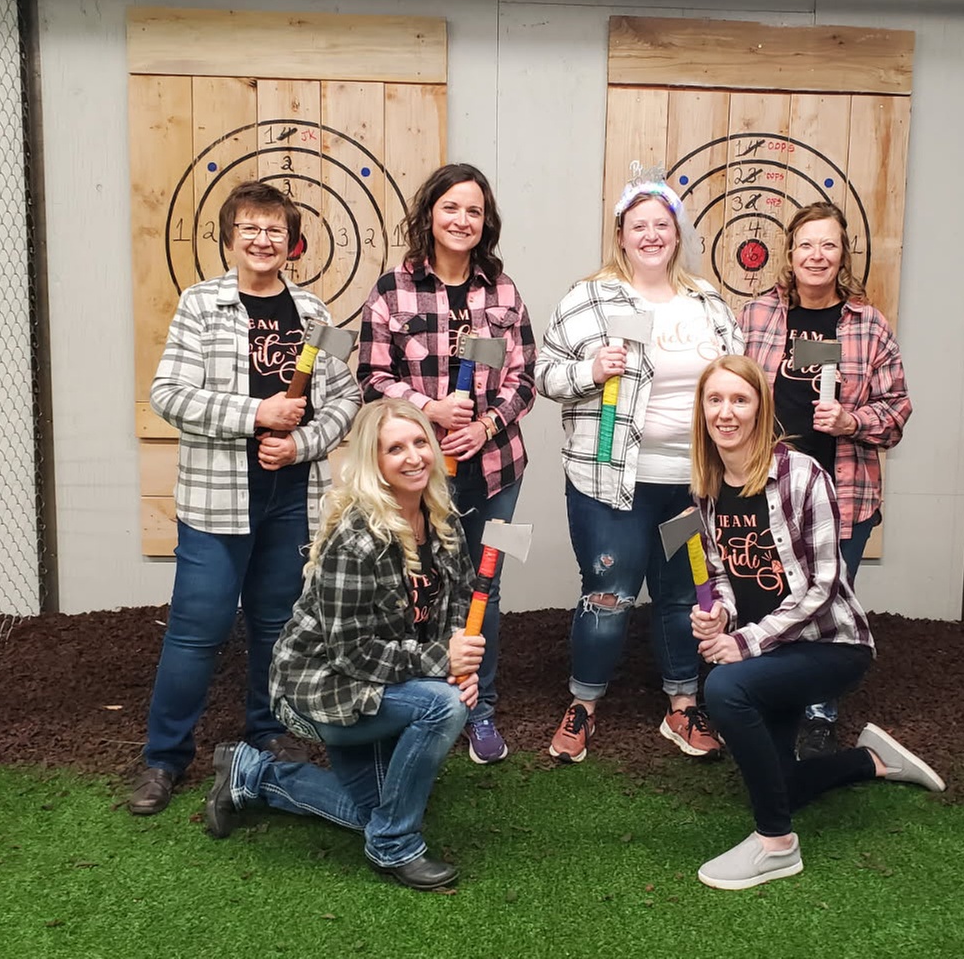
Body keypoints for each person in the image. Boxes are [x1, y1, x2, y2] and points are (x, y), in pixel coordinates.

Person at [130, 181, 361, 816]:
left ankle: (268, 736)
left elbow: (346, 399)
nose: (263, 240)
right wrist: (255, 413)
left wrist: (302, 444)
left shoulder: (315, 315)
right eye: (250, 230)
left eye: (275, 231)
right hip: (216, 503)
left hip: (291, 499)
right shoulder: (200, 305)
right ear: (230, 239)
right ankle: (164, 757)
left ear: (293, 243)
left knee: (277, 625)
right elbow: (168, 394)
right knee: (196, 631)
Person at [201, 399, 486, 891]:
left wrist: (462, 666)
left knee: (372, 809)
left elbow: (456, 609)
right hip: (319, 689)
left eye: (420, 442)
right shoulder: (358, 539)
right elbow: (351, 655)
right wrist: (441, 664)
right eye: (395, 449)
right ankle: (395, 845)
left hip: (385, 681)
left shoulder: (441, 520)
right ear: (373, 463)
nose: (414, 456)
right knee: (440, 709)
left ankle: (251, 774)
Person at [685, 355, 942, 890]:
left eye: (740, 399)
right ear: (702, 410)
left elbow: (824, 586)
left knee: (725, 688)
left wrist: (744, 642)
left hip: (832, 645)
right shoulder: (706, 487)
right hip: (772, 649)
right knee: (781, 782)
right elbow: (725, 575)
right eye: (715, 400)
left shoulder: (801, 475)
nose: (726, 413)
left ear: (761, 407)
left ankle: (777, 845)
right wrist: (720, 617)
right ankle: (872, 760)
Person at [536, 167, 742, 763]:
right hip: (610, 483)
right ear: (620, 235)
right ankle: (584, 703)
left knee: (684, 594)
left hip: (691, 486)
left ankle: (682, 708)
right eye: (638, 226)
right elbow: (544, 374)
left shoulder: (707, 302)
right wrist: (588, 371)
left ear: (677, 234)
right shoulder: (589, 298)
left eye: (662, 225)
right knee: (609, 592)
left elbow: (738, 379)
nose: (651, 235)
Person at [358, 163, 536, 765]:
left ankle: (480, 708)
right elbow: (371, 378)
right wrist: (430, 409)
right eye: (451, 208)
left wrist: (486, 425)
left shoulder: (504, 291)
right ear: (429, 214)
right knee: (419, 587)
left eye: (474, 211)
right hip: (418, 476)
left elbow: (524, 379)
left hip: (496, 472)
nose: (462, 220)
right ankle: (425, 701)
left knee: (486, 589)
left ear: (486, 222)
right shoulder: (391, 290)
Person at [736, 202, 912, 758]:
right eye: (806, 245)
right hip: (767, 488)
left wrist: (852, 421)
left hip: (843, 493)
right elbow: (726, 386)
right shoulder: (755, 315)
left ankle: (818, 713)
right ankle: (766, 699)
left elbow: (898, 410)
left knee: (828, 605)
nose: (817, 255)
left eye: (829, 245)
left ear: (843, 255)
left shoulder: (868, 325)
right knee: (767, 596)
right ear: (790, 253)